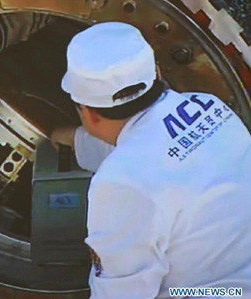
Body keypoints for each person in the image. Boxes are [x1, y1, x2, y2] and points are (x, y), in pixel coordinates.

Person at [51, 22, 251, 298]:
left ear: (88, 113)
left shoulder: (119, 184)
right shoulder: (208, 106)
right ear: (156, 72)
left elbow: (120, 295)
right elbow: (155, 154)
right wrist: (74, 139)